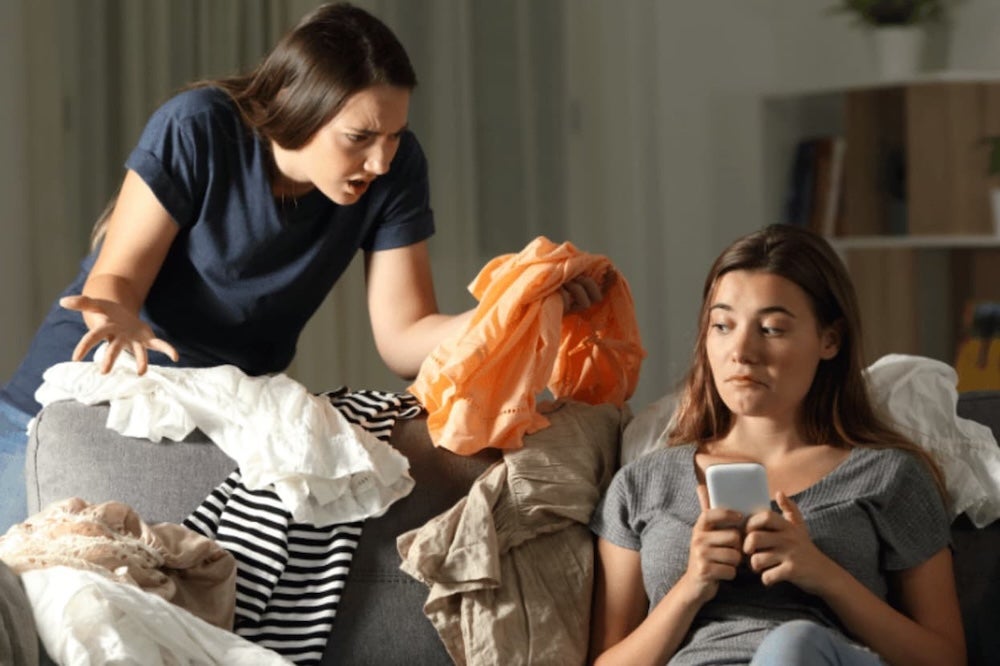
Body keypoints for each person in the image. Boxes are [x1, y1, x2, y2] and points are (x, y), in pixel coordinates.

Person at [0, 2, 599, 533]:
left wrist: (513, 303)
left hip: (204, 434)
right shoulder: (199, 126)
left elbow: (404, 339)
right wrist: (117, 314)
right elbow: (118, 278)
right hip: (63, 415)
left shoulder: (392, 174)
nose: (381, 160)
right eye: (360, 136)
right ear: (299, 107)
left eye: (394, 136)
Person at [589, 223, 965, 665]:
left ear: (830, 340)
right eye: (723, 325)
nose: (741, 351)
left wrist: (823, 575)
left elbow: (946, 659)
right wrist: (691, 587)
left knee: (794, 645)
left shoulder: (890, 476)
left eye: (770, 329)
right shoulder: (640, 484)